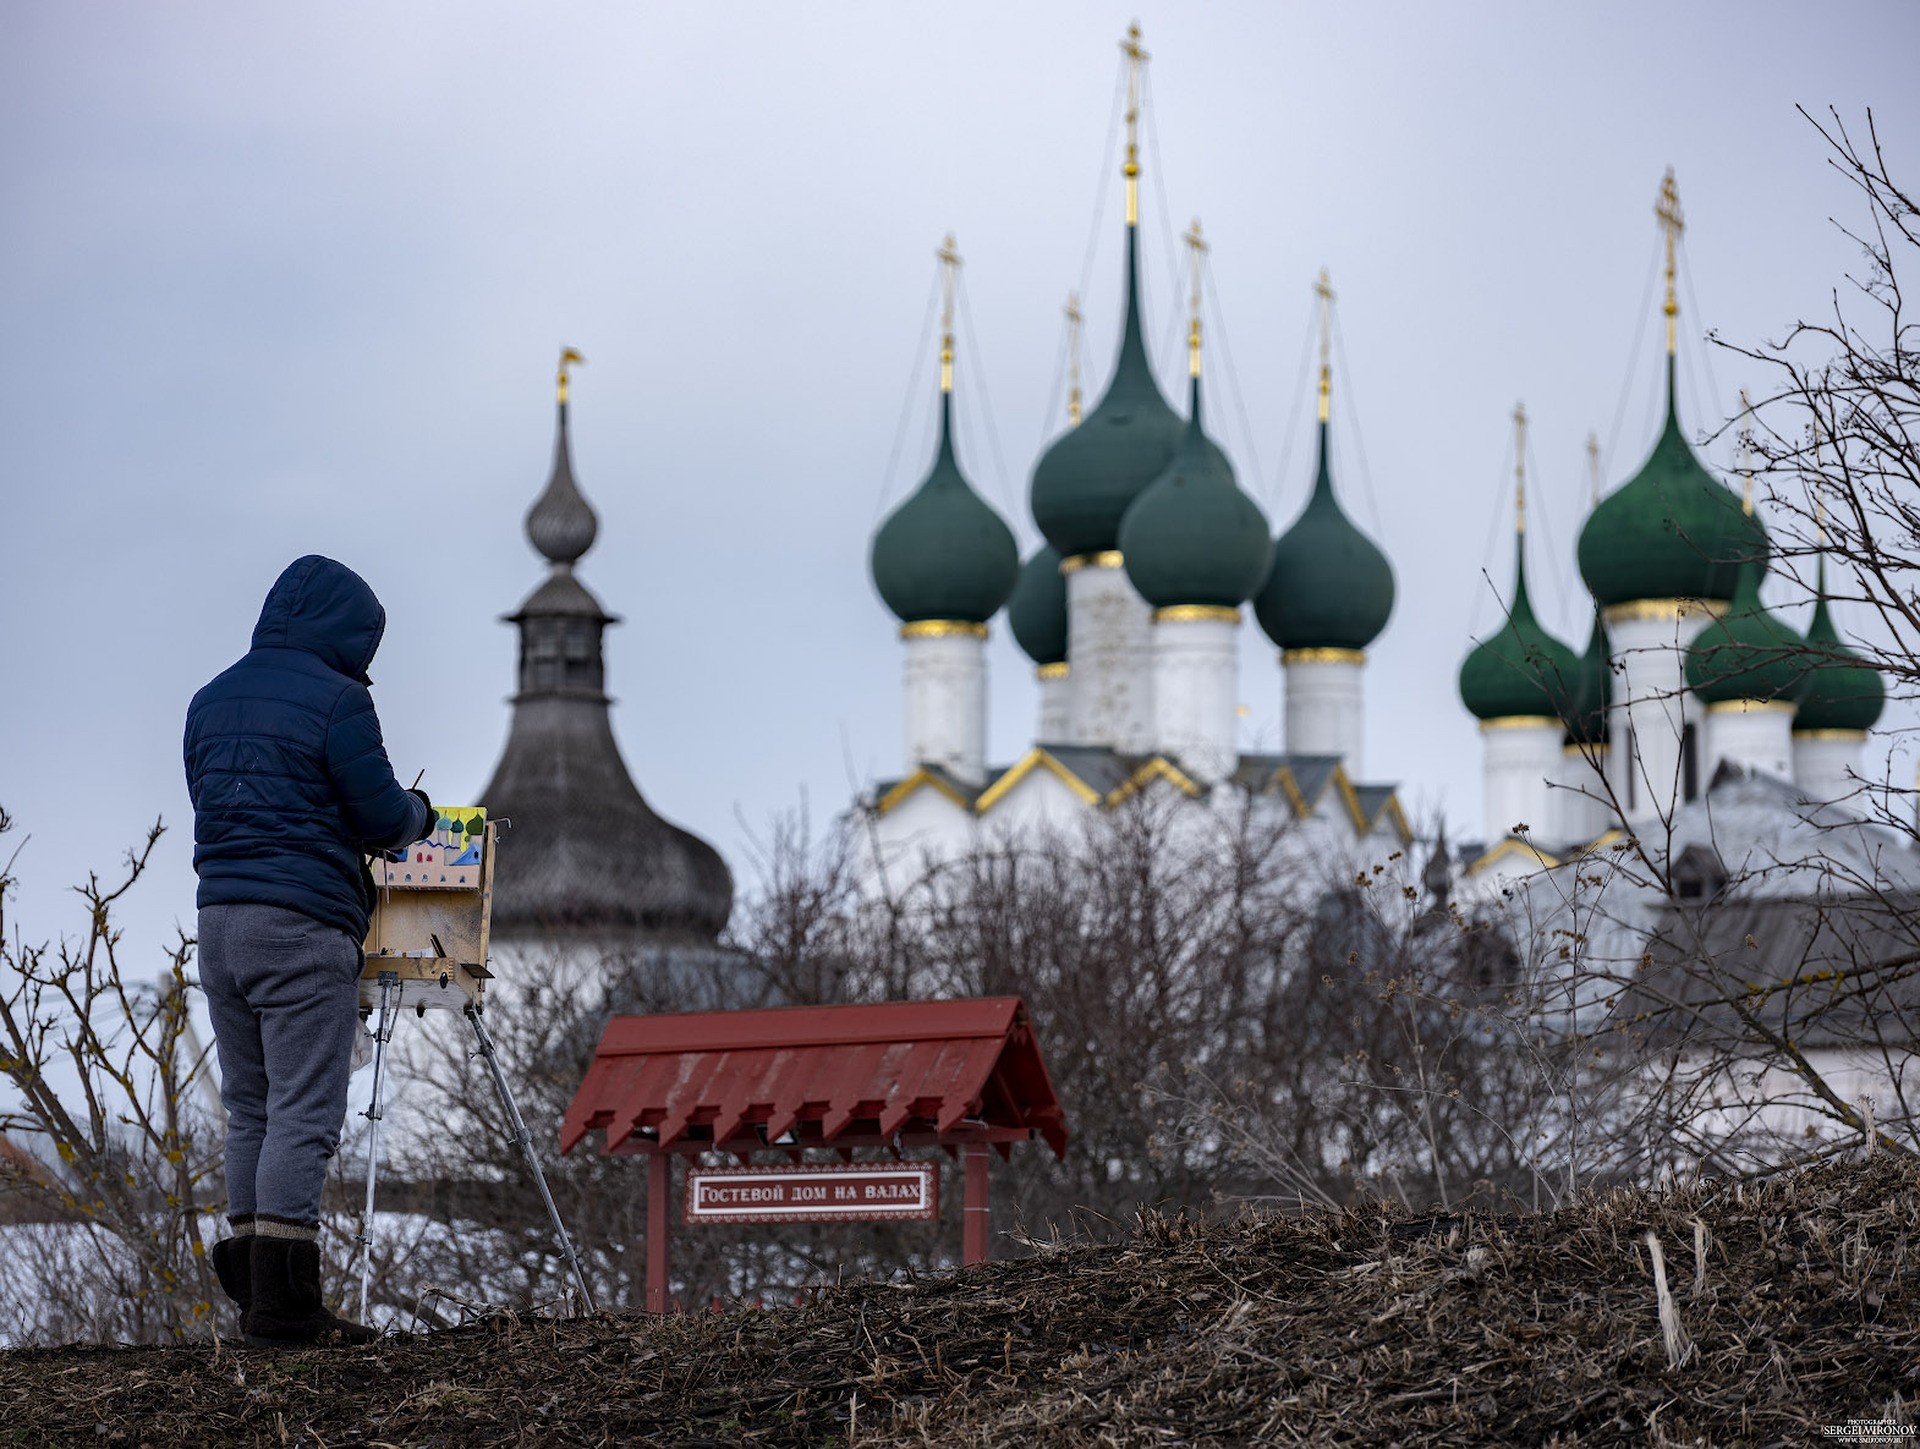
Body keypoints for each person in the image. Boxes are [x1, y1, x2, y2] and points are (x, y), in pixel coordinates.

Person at [183, 555, 433, 1346]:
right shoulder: (339, 701)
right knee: (304, 1112)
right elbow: (382, 815)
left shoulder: (208, 698)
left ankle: (259, 1300)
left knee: (250, 1107)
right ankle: (287, 1312)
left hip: (219, 922)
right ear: (349, 634)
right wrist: (422, 814)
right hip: (301, 926)